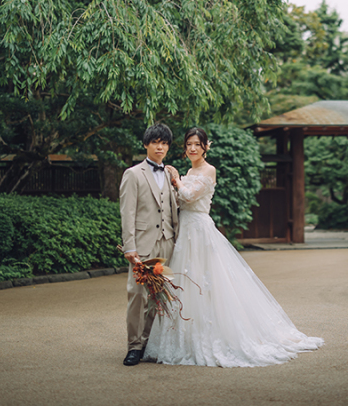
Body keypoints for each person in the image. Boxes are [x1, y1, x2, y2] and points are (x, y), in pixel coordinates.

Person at [144, 127, 324, 367]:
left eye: (197, 144)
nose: (193, 148)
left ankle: (213, 337)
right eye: (189, 144)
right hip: (185, 230)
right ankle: (184, 339)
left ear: (206, 147)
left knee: (208, 282)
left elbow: (187, 196)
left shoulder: (209, 170)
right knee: (186, 282)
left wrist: (175, 180)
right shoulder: (190, 170)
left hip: (199, 231)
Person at [119, 123, 178, 366]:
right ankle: (133, 346)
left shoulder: (170, 173)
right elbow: (127, 212)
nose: (160, 147)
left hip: (167, 242)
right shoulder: (133, 174)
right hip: (142, 246)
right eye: (155, 142)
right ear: (146, 144)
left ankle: (147, 343)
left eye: (164, 143)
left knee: (158, 296)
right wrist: (129, 246)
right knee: (136, 294)